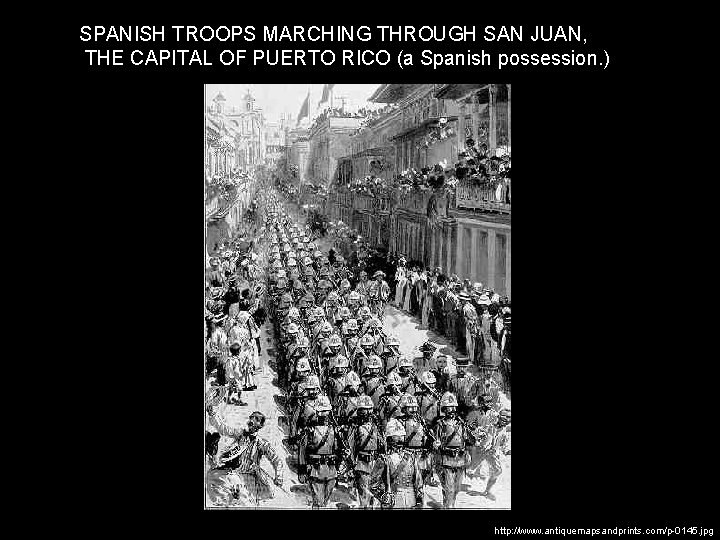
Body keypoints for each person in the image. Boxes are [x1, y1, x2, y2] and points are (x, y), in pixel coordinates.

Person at [206, 407, 284, 507]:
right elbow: (224, 429)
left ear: (258, 426)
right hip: (234, 474)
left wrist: (279, 477)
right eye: (249, 421)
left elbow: (277, 460)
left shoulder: (262, 443)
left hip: (249, 478)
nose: (249, 424)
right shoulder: (241, 434)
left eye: (252, 422)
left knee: (248, 504)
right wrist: (213, 414)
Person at [297, 395, 344, 508]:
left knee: (325, 501)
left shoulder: (333, 429)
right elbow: (302, 450)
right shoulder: (309, 430)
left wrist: (339, 466)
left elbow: (337, 449)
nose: (323, 414)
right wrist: (302, 470)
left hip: (331, 470)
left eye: (326, 411)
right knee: (318, 502)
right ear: (316, 412)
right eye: (321, 411)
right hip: (316, 469)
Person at [433, 392, 477, 508]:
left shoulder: (461, 423)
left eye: (453, 408)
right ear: (444, 409)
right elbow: (435, 441)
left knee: (457, 488)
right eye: (448, 408)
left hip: (460, 458)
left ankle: (447, 502)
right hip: (447, 458)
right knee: (450, 488)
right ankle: (450, 506)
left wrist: (471, 433)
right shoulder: (440, 424)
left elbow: (470, 441)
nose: (451, 410)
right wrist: (436, 445)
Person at [369, 418, 425, 509]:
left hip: (411, 500)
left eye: (401, 436)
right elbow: (373, 484)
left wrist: (419, 500)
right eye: (396, 436)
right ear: (390, 439)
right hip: (393, 500)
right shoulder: (383, 459)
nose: (399, 439)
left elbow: (418, 481)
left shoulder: (410, 456)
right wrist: (383, 496)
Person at [346, 395, 386, 508]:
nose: (368, 412)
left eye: (369, 409)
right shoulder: (355, 426)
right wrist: (351, 465)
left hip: (376, 462)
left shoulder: (376, 424)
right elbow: (351, 446)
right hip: (362, 463)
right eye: (365, 410)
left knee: (377, 492)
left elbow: (382, 442)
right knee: (364, 495)